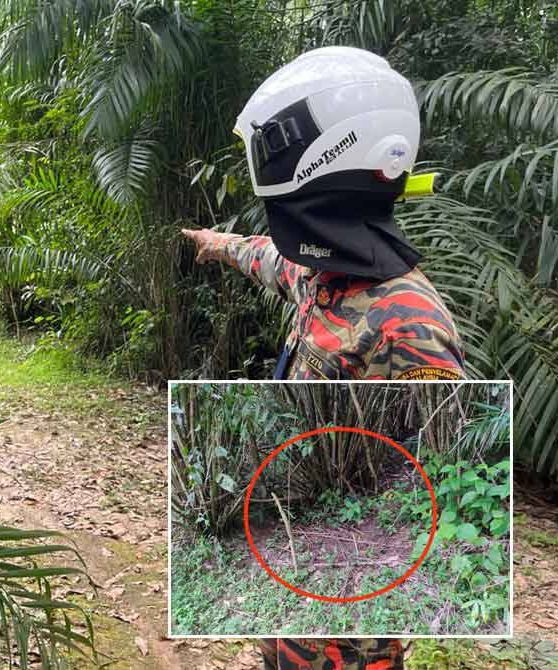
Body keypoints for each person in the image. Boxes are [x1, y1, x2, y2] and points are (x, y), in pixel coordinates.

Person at [183, 47, 466, 668]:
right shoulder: (327, 277)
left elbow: (433, 484)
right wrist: (216, 244)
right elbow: (270, 258)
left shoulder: (410, 331)